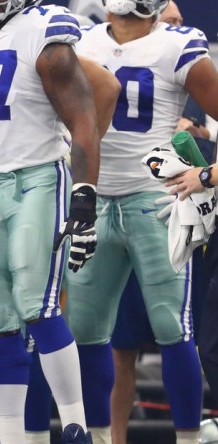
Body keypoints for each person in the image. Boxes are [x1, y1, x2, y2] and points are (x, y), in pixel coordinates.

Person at [0, 0, 104, 442]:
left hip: (37, 177)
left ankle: (75, 427)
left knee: (36, 301)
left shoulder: (43, 29)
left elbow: (86, 109)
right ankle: (11, 435)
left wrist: (85, 192)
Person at [68, 0, 218, 442]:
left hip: (155, 198)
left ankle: (188, 438)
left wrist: (207, 173)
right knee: (87, 333)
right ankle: (98, 436)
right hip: (92, 200)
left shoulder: (176, 44)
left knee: (173, 328)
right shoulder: (83, 40)